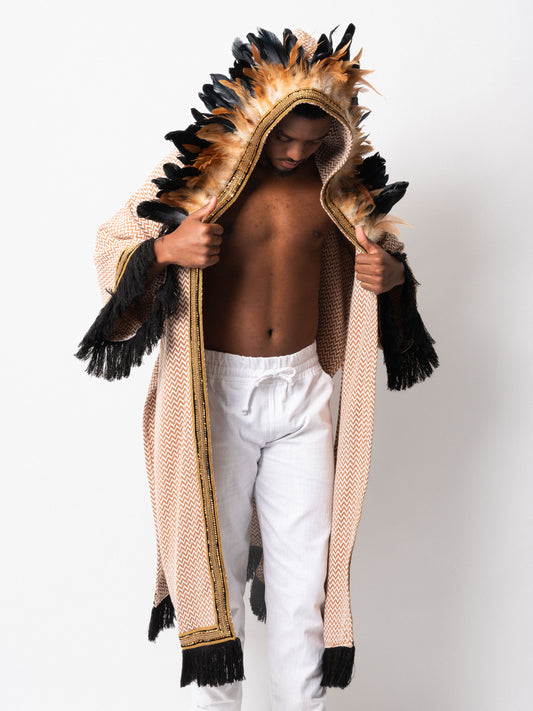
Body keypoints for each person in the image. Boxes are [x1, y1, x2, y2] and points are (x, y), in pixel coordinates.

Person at [76, 25, 438, 711]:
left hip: (304, 393)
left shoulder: (337, 190)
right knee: (218, 581)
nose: (295, 152)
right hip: (214, 394)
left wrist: (390, 276)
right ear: (257, 113)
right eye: (284, 138)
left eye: (313, 140)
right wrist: (166, 251)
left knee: (305, 591)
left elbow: (382, 266)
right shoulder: (198, 174)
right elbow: (112, 241)